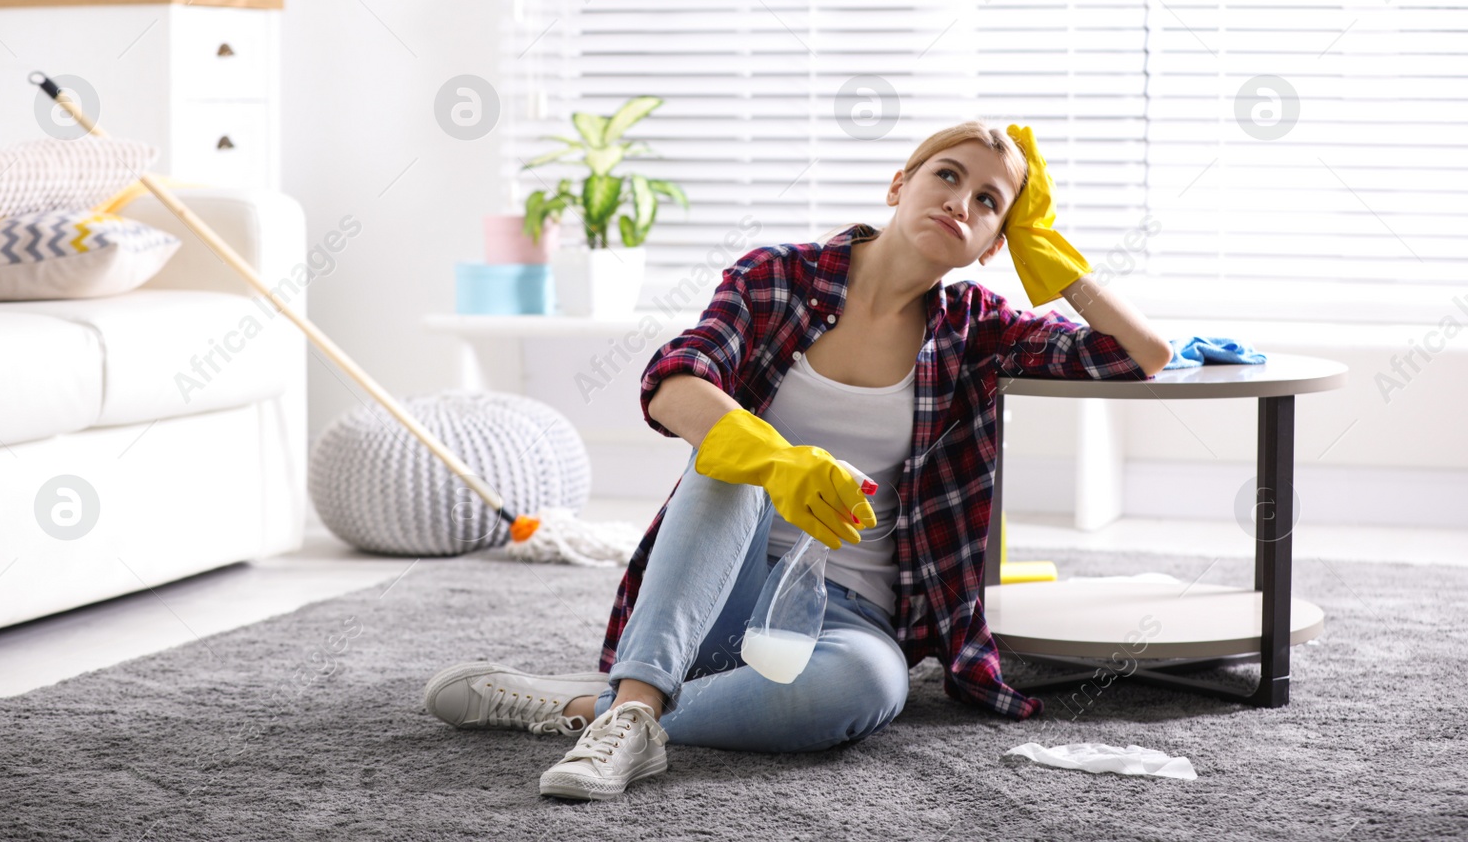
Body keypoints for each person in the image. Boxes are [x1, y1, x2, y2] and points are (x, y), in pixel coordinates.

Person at [423, 120, 1173, 802]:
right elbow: (674, 383)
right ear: (898, 185)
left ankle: (607, 710)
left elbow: (1139, 355)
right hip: (717, 589)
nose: (960, 202)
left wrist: (1049, 251)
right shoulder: (778, 276)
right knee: (730, 451)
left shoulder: (975, 328)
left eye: (989, 203)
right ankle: (639, 704)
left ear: (993, 243)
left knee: (871, 686)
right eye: (946, 174)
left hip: (848, 620)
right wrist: (780, 459)